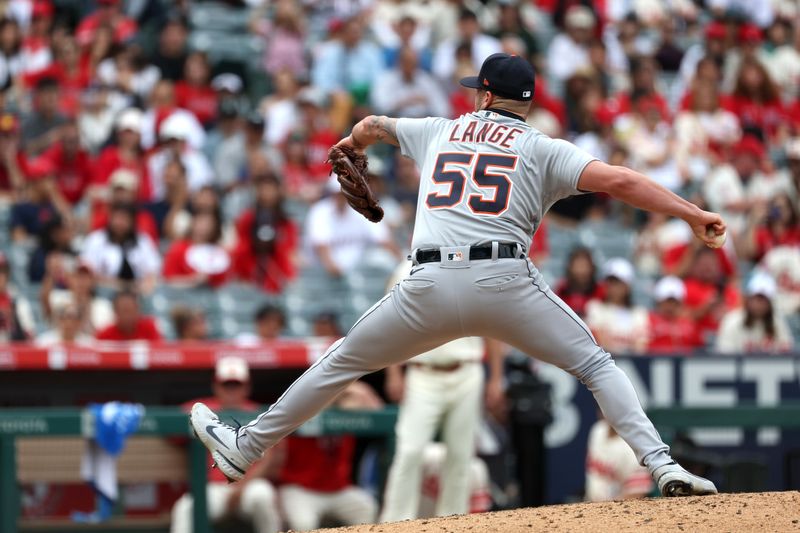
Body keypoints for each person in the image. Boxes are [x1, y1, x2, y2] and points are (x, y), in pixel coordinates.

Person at [191, 53, 722, 498]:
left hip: (428, 286)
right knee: (597, 365)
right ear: (526, 102)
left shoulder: (440, 131)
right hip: (505, 281)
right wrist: (692, 215)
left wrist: (353, 145)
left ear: (486, 97)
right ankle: (662, 466)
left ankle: (247, 446)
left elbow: (373, 125)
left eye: (478, 90)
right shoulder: (543, 147)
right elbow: (621, 180)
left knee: (341, 361)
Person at [380, 264, 504, 522]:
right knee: (410, 450)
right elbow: (391, 323)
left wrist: (496, 378)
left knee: (461, 455)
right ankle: (394, 522)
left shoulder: (473, 267)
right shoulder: (407, 269)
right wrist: (394, 372)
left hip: (466, 371)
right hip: (422, 373)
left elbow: (492, 325)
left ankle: (453, 522)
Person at [171, 357, 281, 533]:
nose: (231, 391)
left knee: (263, 496)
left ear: (246, 387)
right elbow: (171, 428)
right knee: (185, 508)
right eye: (226, 385)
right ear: (216, 386)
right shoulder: (202, 410)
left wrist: (240, 489)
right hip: (214, 489)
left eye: (236, 385)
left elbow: (269, 459)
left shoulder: (257, 413)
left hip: (249, 486)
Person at [277, 382, 380, 531]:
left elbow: (378, 410)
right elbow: (313, 403)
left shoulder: (347, 407)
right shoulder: (301, 405)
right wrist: (339, 391)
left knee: (366, 507)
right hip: (301, 488)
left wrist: (356, 390)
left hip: (337, 489)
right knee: (303, 524)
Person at [715, 272, 794, 354]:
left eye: (764, 299)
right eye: (757, 298)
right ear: (748, 299)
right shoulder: (731, 320)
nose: (759, 304)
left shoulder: (777, 322)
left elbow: (787, 352)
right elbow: (725, 355)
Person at [585, 258, 650, 354]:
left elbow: (641, 347)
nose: (612, 286)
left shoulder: (639, 312)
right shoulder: (594, 308)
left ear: (628, 286)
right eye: (609, 282)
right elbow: (599, 342)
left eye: (617, 282)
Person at [585, 414, 653, 502]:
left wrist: (604, 509)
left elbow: (637, 492)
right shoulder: (598, 430)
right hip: (589, 505)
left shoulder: (635, 446)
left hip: (619, 511)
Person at [647, 276, 702, 354]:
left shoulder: (689, 324)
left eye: (674, 302)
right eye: (667, 301)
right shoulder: (648, 321)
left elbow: (699, 349)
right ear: (658, 302)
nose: (670, 306)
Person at [95, 290, 161, 342]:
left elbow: (159, 352)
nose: (127, 316)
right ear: (115, 311)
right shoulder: (104, 335)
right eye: (124, 311)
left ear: (137, 310)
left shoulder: (149, 328)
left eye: (131, 310)